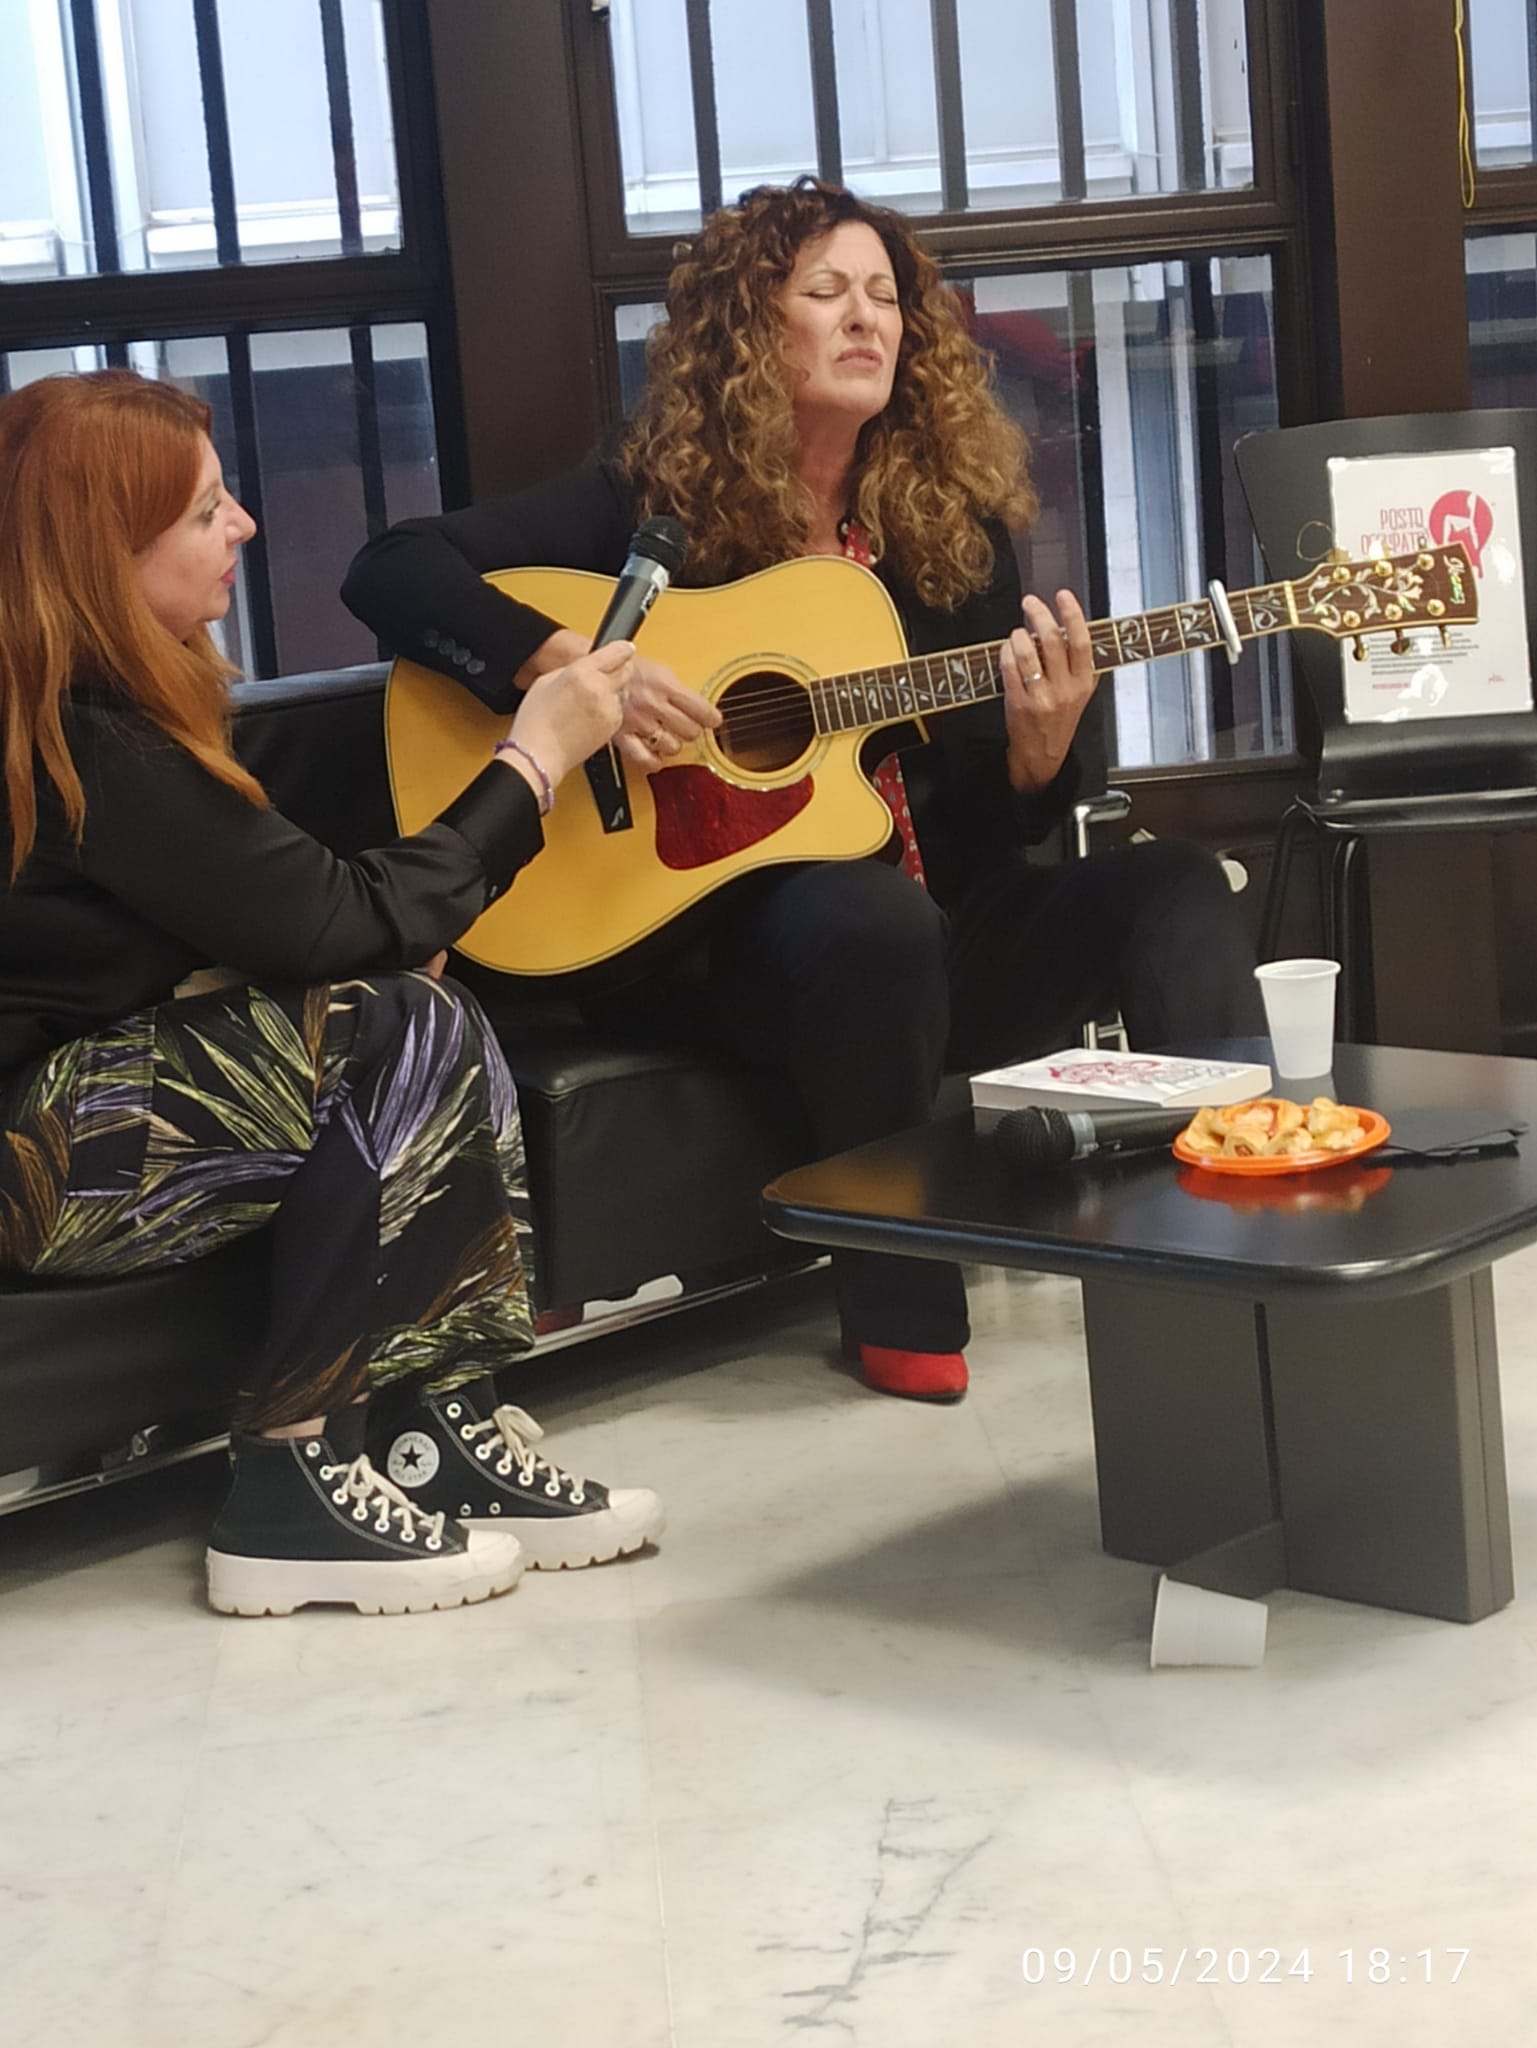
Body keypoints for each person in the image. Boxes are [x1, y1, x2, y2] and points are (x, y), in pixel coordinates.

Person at [342, 177, 1262, 1404]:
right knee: (869, 916)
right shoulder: (646, 504)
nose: (865, 317)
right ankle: (900, 1302)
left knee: (1174, 884)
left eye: (884, 296)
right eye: (826, 291)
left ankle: (1257, 1219)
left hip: (921, 945)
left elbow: (983, 844)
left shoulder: (952, 537)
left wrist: (1037, 759)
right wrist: (568, 663)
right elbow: (391, 568)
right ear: (747, 328)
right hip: (712, 952)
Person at [0, 369, 666, 1617]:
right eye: (206, 510)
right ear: (106, 552)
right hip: (33, 1155)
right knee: (393, 1018)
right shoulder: (81, 732)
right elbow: (336, 916)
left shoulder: (104, 709)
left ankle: (432, 1428)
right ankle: (287, 1481)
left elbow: (299, 919)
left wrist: (368, 947)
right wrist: (535, 757)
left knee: (426, 1012)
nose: (244, 524)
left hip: (86, 1108)